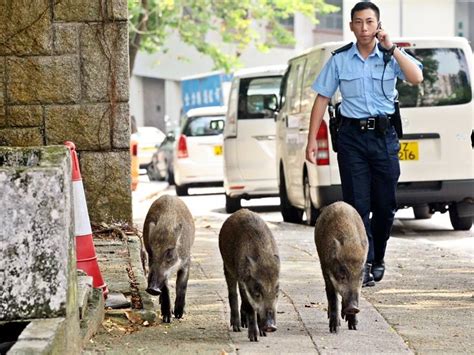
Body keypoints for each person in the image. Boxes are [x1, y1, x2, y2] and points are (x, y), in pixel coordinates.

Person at [305, 2, 423, 287]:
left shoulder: (390, 56)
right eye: (359, 22)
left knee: (385, 205)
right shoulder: (340, 59)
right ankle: (365, 263)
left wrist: (391, 47)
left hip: (384, 138)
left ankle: (379, 255)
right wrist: (311, 140)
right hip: (352, 139)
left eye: (370, 22)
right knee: (357, 206)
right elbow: (322, 97)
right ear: (351, 26)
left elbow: (416, 77)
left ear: (378, 25)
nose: (364, 28)